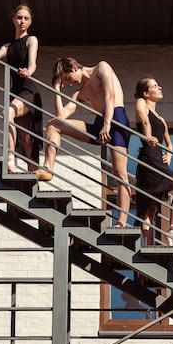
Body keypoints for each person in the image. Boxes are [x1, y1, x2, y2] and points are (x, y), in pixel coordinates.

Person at [35, 57, 131, 228]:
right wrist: (57, 88)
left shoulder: (101, 67)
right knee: (54, 125)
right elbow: (61, 115)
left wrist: (107, 124)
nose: (70, 84)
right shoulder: (81, 93)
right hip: (100, 123)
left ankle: (121, 222)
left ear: (73, 68)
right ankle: (47, 169)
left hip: (116, 118)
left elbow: (110, 95)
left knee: (119, 173)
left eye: (67, 79)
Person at [0, 4, 43, 173]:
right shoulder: (7, 46)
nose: (22, 21)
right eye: (19, 17)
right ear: (13, 19)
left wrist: (28, 71)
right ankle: (32, 174)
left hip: (29, 90)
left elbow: (32, 64)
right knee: (25, 138)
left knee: (7, 114)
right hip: (15, 91)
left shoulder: (31, 40)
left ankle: (10, 161)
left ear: (30, 22)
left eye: (26, 18)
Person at [134, 78, 173, 246]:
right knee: (149, 208)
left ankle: (172, 228)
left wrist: (169, 155)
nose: (160, 87)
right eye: (155, 86)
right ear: (146, 93)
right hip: (149, 158)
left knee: (157, 205)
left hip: (159, 159)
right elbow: (144, 121)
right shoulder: (140, 102)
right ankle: (152, 244)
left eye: (158, 85)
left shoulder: (161, 119)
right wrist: (148, 135)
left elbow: (170, 144)